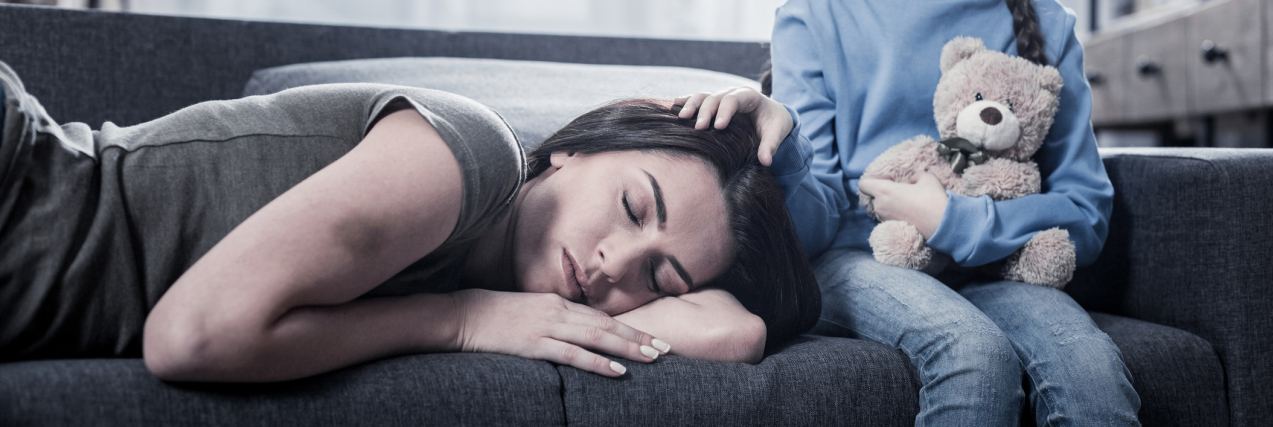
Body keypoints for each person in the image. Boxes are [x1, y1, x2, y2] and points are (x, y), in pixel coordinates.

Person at [0, 60, 819, 382]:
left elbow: (738, 331)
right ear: (582, 143)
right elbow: (191, 337)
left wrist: (781, 155)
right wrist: (462, 320)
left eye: (658, 279)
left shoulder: (504, 256)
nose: (613, 264)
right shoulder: (468, 157)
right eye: (634, 207)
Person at [674, 0, 1141, 425]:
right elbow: (814, 230)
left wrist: (955, 222)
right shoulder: (814, 16)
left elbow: (1086, 211)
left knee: (1090, 373)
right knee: (973, 354)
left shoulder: (1048, 21)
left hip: (998, 265)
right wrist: (785, 141)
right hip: (857, 257)